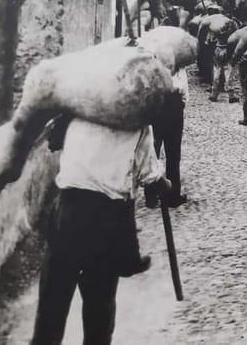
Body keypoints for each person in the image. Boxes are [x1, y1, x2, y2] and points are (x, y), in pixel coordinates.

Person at [31, 114, 170, 344]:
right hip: (107, 218)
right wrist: (165, 185)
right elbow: (149, 175)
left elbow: (53, 141)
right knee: (100, 305)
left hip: (68, 211)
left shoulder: (77, 108)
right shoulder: (137, 117)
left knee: (52, 303)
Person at [145, 68, 189, 208]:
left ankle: (151, 195)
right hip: (173, 102)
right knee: (173, 152)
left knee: (152, 150)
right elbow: (183, 87)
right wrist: (182, 102)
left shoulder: (152, 58)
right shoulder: (177, 59)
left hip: (156, 102)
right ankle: (173, 195)